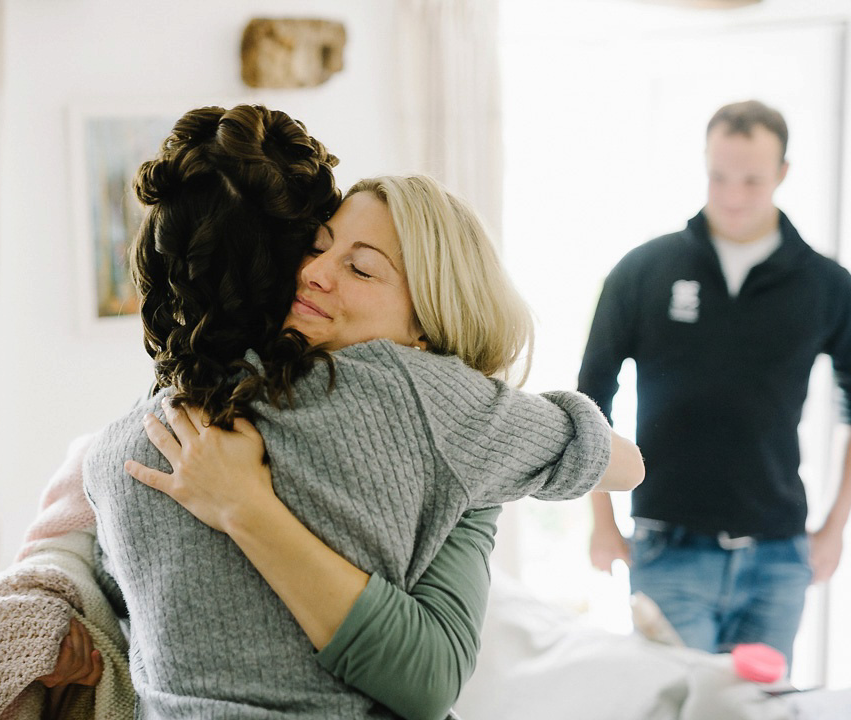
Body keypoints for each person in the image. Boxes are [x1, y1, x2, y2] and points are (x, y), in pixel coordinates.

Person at [80, 106, 643, 718]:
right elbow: (623, 463)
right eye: (316, 248)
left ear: (427, 320)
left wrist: (248, 508)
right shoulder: (433, 404)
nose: (315, 273)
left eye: (361, 267)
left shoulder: (123, 443)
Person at [580, 99, 851, 669]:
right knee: (678, 707)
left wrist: (834, 529)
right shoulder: (643, 270)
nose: (732, 194)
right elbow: (589, 401)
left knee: (756, 711)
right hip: (669, 549)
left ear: (782, 173)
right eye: (718, 175)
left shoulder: (827, 285)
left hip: (779, 557)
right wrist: (602, 523)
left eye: (751, 179)